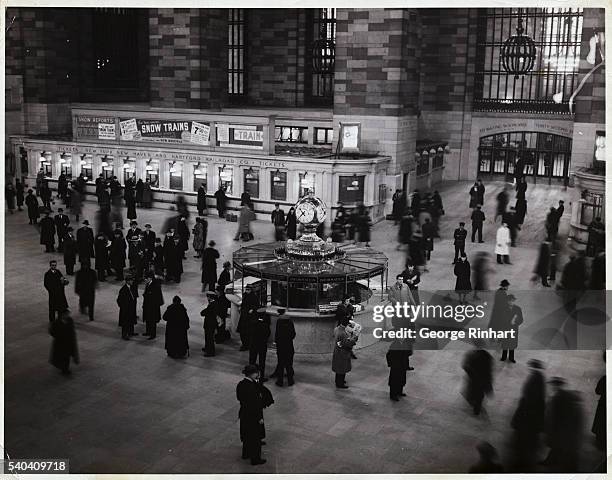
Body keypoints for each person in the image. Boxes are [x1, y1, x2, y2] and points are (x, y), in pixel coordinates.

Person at [510, 359, 546, 472]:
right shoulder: (539, 377)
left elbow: (530, 395)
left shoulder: (534, 378)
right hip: (532, 412)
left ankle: (521, 462)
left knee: (523, 441)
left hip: (528, 413)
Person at [542, 377, 584, 472]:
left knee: (560, 449)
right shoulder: (562, 395)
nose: (551, 387)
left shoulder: (560, 397)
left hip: (561, 432)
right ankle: (551, 461)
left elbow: (557, 415)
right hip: (562, 432)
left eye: (553, 385)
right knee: (557, 448)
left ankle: (553, 462)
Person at [236, 364, 267, 466]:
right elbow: (255, 404)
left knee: (246, 434)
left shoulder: (241, 384)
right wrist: (259, 418)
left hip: (244, 413)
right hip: (253, 416)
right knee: (255, 437)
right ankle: (255, 459)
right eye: (256, 373)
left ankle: (246, 453)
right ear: (252, 374)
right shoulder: (252, 387)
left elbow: (239, 398)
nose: (258, 374)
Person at [462, 341, 493, 415]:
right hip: (482, 381)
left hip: (473, 381)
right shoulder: (487, 356)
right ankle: (476, 410)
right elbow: (489, 372)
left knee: (472, 393)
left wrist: (470, 374)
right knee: (479, 396)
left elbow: (465, 366)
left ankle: (473, 404)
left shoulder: (471, 355)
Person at [271, 308, 295, 387]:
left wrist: (277, 342)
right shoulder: (290, 322)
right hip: (289, 346)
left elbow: (277, 335)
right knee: (289, 364)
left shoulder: (279, 322)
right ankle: (290, 380)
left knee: (281, 364)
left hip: (281, 347)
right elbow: (293, 334)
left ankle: (280, 381)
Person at [332, 317, 358, 388]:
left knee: (338, 368)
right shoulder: (342, 333)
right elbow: (345, 344)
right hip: (342, 352)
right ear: (347, 324)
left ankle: (338, 381)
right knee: (342, 368)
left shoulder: (336, 329)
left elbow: (339, 341)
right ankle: (340, 384)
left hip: (337, 351)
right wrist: (353, 339)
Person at [500, 294, 523, 362]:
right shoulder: (503, 308)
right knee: (505, 343)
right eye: (510, 301)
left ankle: (511, 358)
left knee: (512, 344)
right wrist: (509, 322)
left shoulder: (518, 309)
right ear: (507, 301)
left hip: (514, 329)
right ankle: (504, 357)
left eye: (513, 301)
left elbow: (521, 319)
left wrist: (515, 322)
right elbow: (501, 319)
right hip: (505, 329)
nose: (511, 302)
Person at [249, 309, 271, 381]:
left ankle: (250, 375)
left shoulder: (252, 323)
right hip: (262, 345)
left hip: (253, 344)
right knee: (262, 361)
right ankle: (261, 377)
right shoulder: (265, 325)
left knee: (252, 360)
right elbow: (268, 334)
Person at [142, 273, 164, 339]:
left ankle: (153, 334)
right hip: (147, 305)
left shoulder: (155, 285)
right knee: (148, 319)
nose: (145, 280)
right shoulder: (148, 284)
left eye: (146, 279)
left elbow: (156, 297)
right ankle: (148, 331)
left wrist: (148, 295)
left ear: (150, 278)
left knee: (152, 321)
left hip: (153, 307)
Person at [238, 285, 259, 351]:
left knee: (247, 332)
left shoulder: (254, 297)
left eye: (248, 289)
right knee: (243, 332)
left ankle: (247, 345)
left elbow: (256, 305)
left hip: (249, 317)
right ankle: (245, 344)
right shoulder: (245, 295)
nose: (247, 291)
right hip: (244, 315)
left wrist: (252, 309)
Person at [201, 292, 219, 357]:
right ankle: (207, 348)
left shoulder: (212, 305)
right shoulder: (214, 303)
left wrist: (203, 312)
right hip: (210, 323)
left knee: (209, 338)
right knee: (208, 337)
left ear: (210, 297)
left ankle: (210, 352)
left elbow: (207, 312)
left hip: (210, 324)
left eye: (208, 296)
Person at [592, 375, 606, 451]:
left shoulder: (605, 378)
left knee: (600, 422)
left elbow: (597, 391)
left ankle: (600, 441)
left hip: (604, 404)